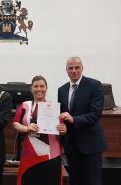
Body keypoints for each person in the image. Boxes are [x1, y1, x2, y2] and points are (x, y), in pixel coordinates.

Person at [58, 56, 107, 185]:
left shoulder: (94, 85)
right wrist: (62, 127)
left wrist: (74, 119)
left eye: (77, 67)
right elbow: (62, 115)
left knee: (93, 181)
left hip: (90, 144)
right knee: (75, 180)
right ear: (66, 70)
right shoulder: (61, 90)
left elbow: (95, 114)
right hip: (72, 145)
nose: (74, 71)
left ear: (82, 68)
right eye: (70, 68)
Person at [12, 75, 67, 185]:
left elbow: (62, 130)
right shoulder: (25, 106)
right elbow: (15, 123)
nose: (39, 89)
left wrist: (63, 129)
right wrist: (26, 128)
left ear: (46, 88)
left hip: (51, 155)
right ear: (31, 88)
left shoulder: (54, 108)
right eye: (36, 86)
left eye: (42, 86)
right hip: (30, 154)